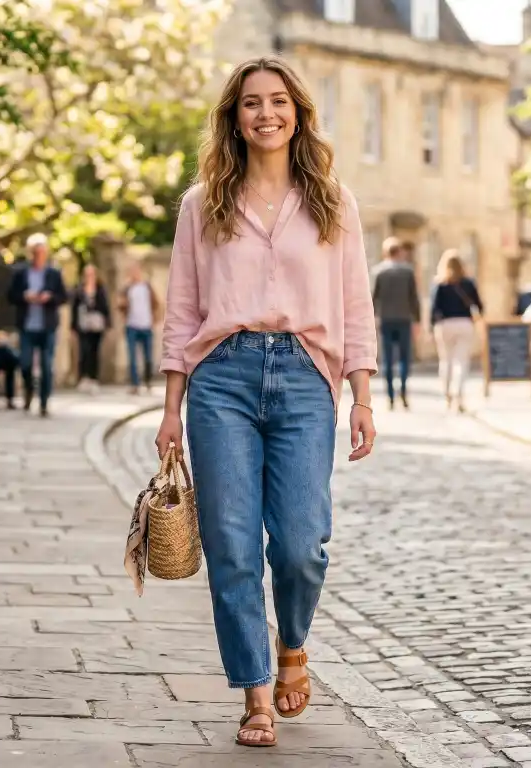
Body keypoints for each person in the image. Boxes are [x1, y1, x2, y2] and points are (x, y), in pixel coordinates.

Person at [153, 55, 377, 749]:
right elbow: (183, 309)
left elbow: (354, 304)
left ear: (298, 113)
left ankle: (294, 644)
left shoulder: (333, 201)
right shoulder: (203, 204)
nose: (266, 113)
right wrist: (170, 406)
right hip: (221, 378)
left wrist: (363, 392)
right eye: (251, 103)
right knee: (232, 544)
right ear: (234, 117)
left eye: (278, 101)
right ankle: (254, 695)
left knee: (303, 543)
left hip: (308, 378)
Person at [7, 233, 69, 416]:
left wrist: (49, 297)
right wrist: (25, 296)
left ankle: (43, 402)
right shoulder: (21, 273)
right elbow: (10, 296)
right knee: (25, 363)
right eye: (35, 252)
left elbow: (64, 296)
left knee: (46, 365)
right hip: (27, 326)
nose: (38, 256)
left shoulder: (53, 274)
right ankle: (28, 391)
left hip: (47, 326)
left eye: (42, 252)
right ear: (31, 253)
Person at [428, 250, 483, 414]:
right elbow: (479, 305)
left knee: (446, 361)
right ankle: (458, 395)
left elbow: (434, 308)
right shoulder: (468, 283)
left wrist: (432, 327)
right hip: (464, 323)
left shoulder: (439, 284)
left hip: (445, 325)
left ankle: (447, 395)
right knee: (461, 362)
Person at [371, 236, 420, 410]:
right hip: (404, 319)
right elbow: (414, 298)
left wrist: (372, 318)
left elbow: (373, 298)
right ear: (399, 251)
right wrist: (417, 320)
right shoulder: (408, 272)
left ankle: (390, 396)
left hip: (386, 319)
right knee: (405, 358)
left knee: (388, 359)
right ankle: (404, 390)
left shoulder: (379, 272)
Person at [119, 261, 161, 395]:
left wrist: (155, 320)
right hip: (132, 326)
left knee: (148, 357)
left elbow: (157, 304)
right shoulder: (126, 288)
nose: (134, 274)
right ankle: (135, 384)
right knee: (132, 356)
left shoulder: (147, 287)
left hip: (146, 326)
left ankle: (148, 381)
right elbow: (119, 305)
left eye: (136, 271)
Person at [70, 264, 111, 394]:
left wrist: (108, 324)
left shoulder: (100, 289)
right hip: (83, 324)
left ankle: (94, 378)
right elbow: (74, 308)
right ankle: (83, 377)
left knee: (94, 352)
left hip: (96, 325)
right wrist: (73, 326)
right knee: (84, 351)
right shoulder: (79, 289)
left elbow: (105, 307)